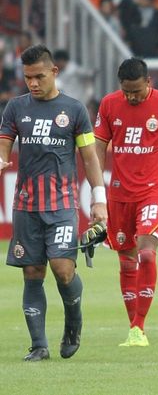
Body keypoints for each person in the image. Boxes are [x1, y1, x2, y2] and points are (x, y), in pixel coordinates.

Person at [1, 45, 108, 361]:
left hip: (62, 205)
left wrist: (98, 201)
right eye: (27, 77)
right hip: (25, 206)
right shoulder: (15, 108)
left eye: (38, 76)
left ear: (54, 72)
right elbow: (4, 147)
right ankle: (39, 345)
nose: (32, 83)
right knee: (32, 271)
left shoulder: (74, 110)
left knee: (63, 270)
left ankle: (73, 323)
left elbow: (89, 158)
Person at [94, 58, 158, 347]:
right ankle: (134, 328)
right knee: (126, 261)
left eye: (136, 91)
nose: (132, 97)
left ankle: (139, 326)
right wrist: (97, 193)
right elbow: (97, 150)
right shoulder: (109, 105)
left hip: (152, 191)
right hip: (119, 194)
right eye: (126, 91)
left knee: (146, 254)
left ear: (149, 82)